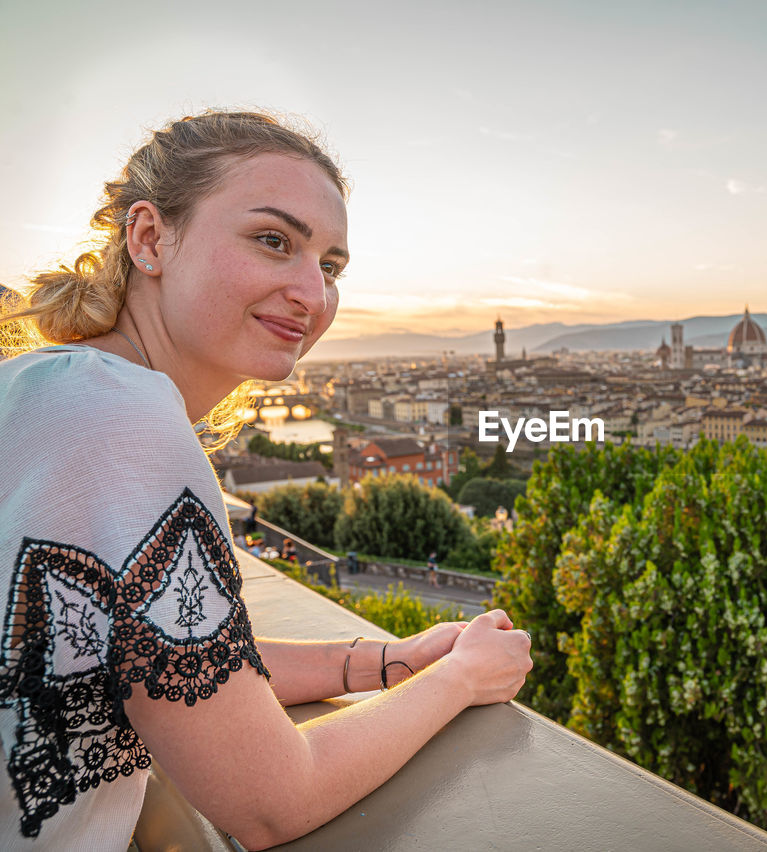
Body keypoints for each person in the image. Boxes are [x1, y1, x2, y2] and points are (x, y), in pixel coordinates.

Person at [0, 110, 532, 850]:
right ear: (149, 238)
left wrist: (387, 661)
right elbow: (273, 800)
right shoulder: (127, 420)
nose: (312, 296)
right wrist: (464, 678)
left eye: (331, 267)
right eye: (273, 241)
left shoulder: (40, 388)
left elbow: (181, 667)